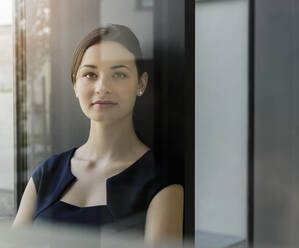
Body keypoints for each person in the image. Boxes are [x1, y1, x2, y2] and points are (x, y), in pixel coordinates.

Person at [12, 24, 184, 246]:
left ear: (141, 84)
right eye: (90, 74)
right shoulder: (46, 174)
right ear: (75, 84)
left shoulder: (161, 183)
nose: (102, 87)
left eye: (119, 74)